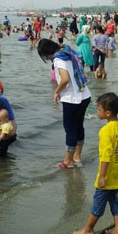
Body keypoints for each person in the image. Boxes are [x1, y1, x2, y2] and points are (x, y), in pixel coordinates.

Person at [72, 93, 118, 234]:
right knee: (113, 199)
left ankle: (88, 228)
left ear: (107, 113)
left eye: (98, 109)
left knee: (99, 201)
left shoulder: (105, 131)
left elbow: (106, 155)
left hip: (108, 174)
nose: (97, 112)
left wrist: (102, 176)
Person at [37, 39, 92, 168]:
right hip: (84, 94)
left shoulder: (58, 59)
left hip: (72, 99)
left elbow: (65, 79)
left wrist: (56, 91)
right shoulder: (67, 52)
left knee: (70, 129)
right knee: (79, 126)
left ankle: (68, 161)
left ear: (47, 53)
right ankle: (77, 157)